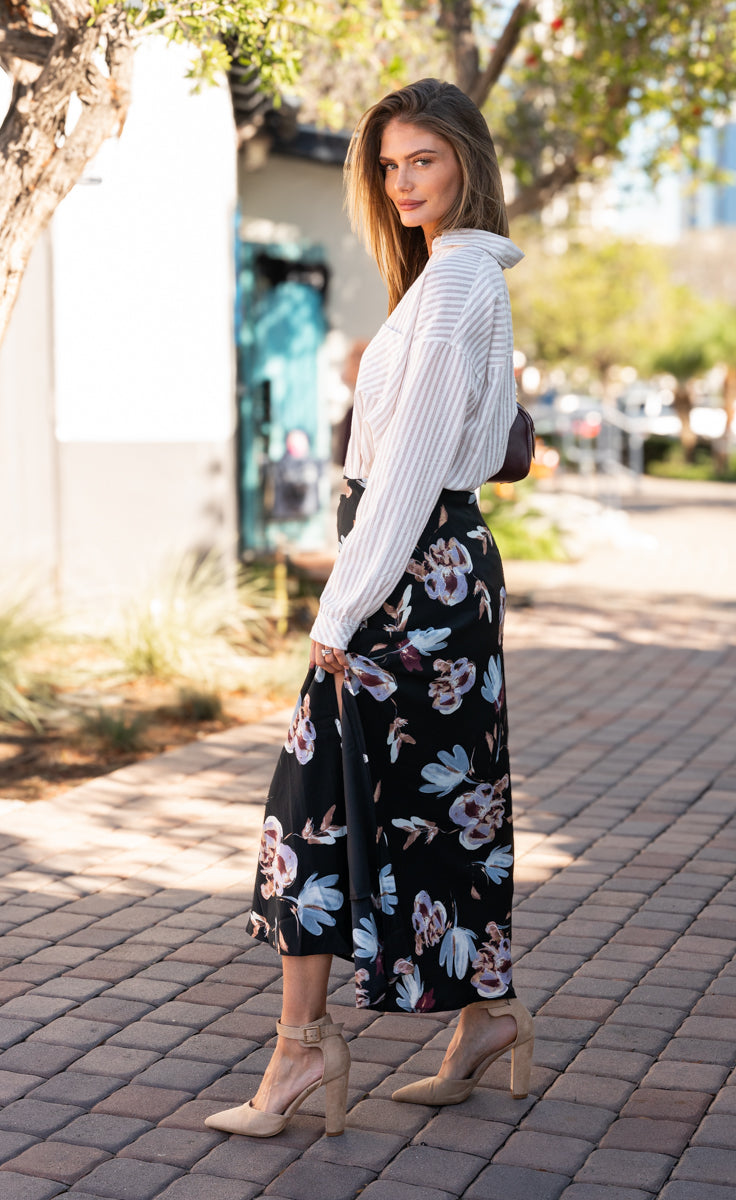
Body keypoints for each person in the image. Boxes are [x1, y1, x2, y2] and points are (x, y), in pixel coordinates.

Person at [205, 77, 533, 1140]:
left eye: (422, 160)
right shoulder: (450, 274)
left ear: (466, 162)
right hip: (436, 574)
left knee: (314, 803)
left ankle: (302, 1050)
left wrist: (337, 612)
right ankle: (485, 1017)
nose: (401, 181)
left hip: (408, 576)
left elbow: (407, 474)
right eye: (389, 165)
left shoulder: (455, 280)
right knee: (444, 799)